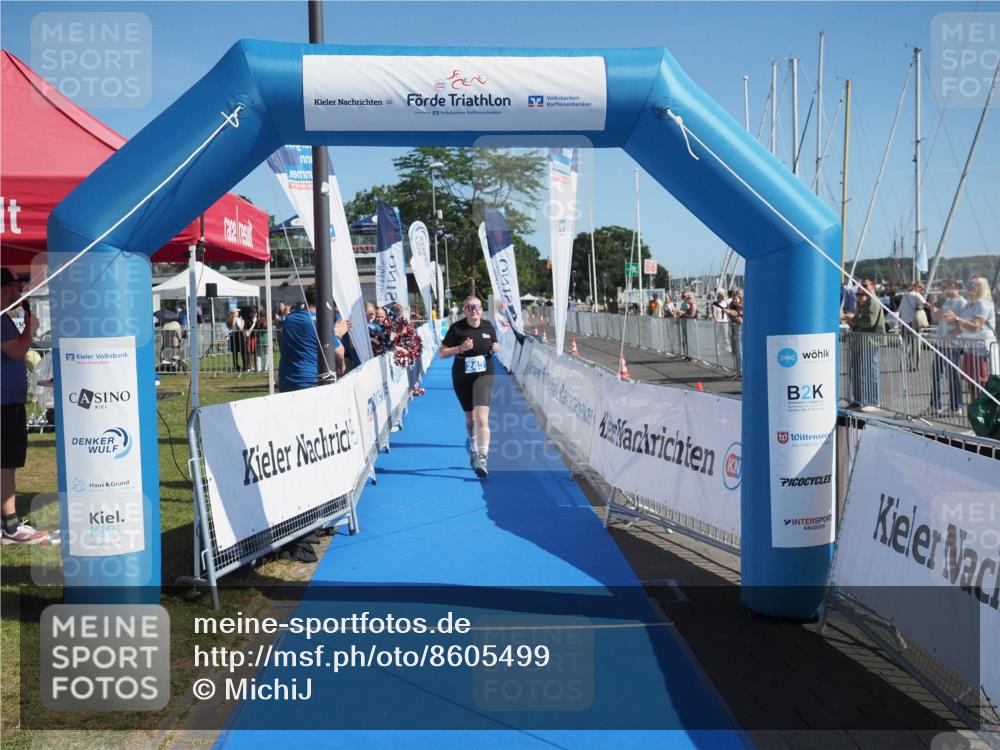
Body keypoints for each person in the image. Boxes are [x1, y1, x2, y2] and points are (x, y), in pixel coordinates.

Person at [1, 269, 49, 544]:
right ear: (6, 288)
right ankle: (11, 527)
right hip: (5, 404)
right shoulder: (2, 320)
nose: (21, 292)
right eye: (17, 286)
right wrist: (30, 327)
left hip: (8, 401)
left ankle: (5, 523)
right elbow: (17, 351)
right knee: (5, 464)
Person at [440, 295, 499, 479]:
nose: (474, 310)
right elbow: (442, 354)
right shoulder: (456, 329)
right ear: (464, 310)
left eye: (477, 307)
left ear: (482, 309)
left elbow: (495, 344)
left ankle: (482, 457)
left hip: (484, 374)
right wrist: (460, 348)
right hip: (462, 375)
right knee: (470, 420)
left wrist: (496, 347)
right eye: (470, 307)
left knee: (482, 417)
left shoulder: (488, 326)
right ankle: (474, 450)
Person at [278, 284, 351, 392]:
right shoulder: (320, 322)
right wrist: (337, 334)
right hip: (311, 383)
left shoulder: (290, 318)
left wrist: (333, 332)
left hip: (286, 381)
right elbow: (339, 352)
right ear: (325, 301)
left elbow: (308, 337)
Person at [941, 276, 997, 400]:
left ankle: (984, 413)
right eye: (968, 282)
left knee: (982, 384)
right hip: (971, 349)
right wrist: (951, 334)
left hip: (983, 350)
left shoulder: (983, 303)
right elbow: (963, 326)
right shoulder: (969, 305)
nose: (968, 285)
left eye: (972, 283)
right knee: (972, 384)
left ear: (980, 287)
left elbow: (976, 326)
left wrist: (956, 319)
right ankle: (975, 412)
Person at [842, 277, 885, 409]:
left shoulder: (873, 302)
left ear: (873, 287)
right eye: (861, 287)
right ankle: (860, 400)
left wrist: (853, 319)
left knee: (870, 371)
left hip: (870, 342)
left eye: (865, 286)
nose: (862, 289)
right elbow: (861, 320)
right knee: (860, 372)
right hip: (862, 342)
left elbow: (869, 322)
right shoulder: (865, 303)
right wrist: (851, 320)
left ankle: (873, 401)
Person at [927, 279, 967, 416]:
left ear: (953, 287)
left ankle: (956, 407)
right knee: (936, 374)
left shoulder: (962, 303)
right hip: (940, 343)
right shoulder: (947, 302)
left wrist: (951, 335)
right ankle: (935, 405)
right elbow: (936, 319)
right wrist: (932, 306)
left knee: (952, 376)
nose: (942, 289)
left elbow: (963, 325)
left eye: (944, 287)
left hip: (952, 344)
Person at [897, 281, 928, 370]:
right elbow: (926, 304)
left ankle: (903, 364)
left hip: (903, 323)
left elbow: (900, 310)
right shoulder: (916, 295)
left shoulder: (905, 296)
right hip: (913, 323)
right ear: (918, 287)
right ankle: (914, 365)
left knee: (905, 345)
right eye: (922, 289)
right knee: (916, 345)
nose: (922, 291)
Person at [725, 290, 744, 376]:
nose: (734, 300)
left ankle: (741, 371)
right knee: (735, 350)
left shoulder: (742, 307)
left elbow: (739, 319)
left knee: (739, 350)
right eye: (733, 299)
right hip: (733, 328)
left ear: (740, 298)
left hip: (739, 328)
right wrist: (729, 313)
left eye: (736, 299)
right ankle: (737, 370)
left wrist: (731, 313)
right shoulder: (732, 306)